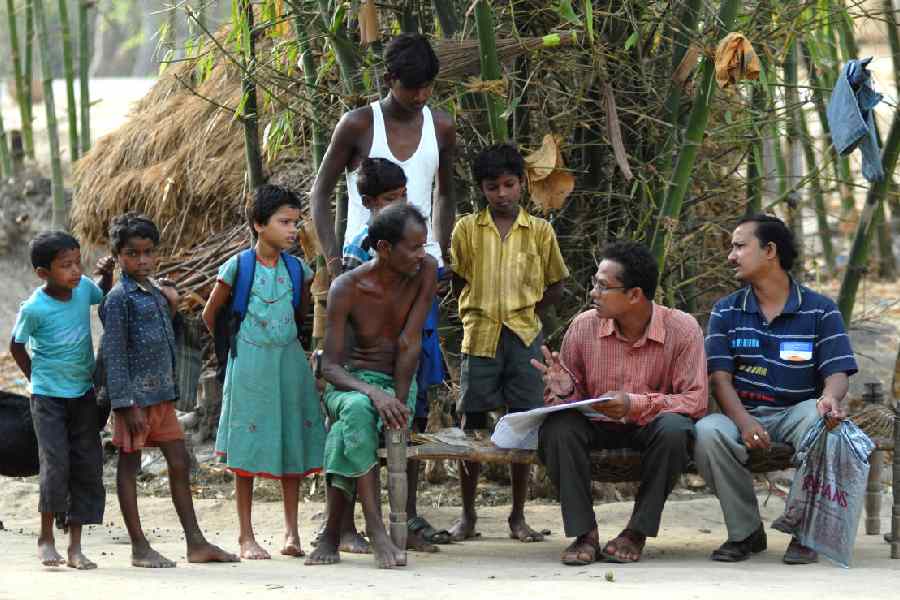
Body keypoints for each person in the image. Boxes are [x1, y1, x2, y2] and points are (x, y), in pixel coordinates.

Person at [694, 214, 858, 565]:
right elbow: (720, 379)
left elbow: (837, 370)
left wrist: (830, 398)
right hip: (742, 413)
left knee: (822, 421)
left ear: (770, 251)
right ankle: (746, 532)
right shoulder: (726, 311)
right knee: (707, 431)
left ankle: (806, 532)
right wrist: (744, 422)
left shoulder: (820, 310)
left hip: (797, 411)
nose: (731, 256)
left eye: (740, 246)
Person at [532, 241, 707, 565]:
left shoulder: (682, 329)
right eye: (594, 283)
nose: (593, 293)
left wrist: (634, 404)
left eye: (603, 286)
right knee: (557, 427)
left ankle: (635, 532)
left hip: (649, 428)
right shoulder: (584, 326)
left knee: (675, 429)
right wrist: (565, 391)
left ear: (635, 295)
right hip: (596, 425)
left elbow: (695, 400)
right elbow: (566, 401)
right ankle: (585, 533)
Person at [101, 213, 238, 568]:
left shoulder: (156, 292)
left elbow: (169, 336)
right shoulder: (119, 298)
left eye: (148, 252)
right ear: (118, 255)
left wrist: (173, 305)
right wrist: (124, 404)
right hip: (135, 401)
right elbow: (114, 354)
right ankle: (139, 546)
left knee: (179, 462)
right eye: (133, 254)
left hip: (161, 397)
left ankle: (196, 543)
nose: (142, 260)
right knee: (129, 467)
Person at [448, 144, 569, 543]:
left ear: (522, 184)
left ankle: (518, 515)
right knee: (472, 424)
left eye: (509, 184)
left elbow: (556, 284)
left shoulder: (540, 231)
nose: (501, 194)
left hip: (525, 336)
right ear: (480, 189)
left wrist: (527, 311)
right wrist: (481, 309)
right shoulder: (467, 229)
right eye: (492, 186)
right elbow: (458, 279)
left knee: (523, 423)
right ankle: (467, 515)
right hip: (479, 336)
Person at [306, 203, 437, 569]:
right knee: (358, 409)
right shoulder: (346, 287)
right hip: (348, 382)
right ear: (384, 248)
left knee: (347, 427)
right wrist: (373, 394)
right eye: (413, 247)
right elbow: (330, 366)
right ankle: (376, 529)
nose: (421, 254)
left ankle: (331, 534)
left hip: (398, 380)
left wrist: (398, 401)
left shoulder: (424, 271)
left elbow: (410, 342)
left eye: (423, 245)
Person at [203, 185, 326, 560]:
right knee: (246, 448)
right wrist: (235, 350)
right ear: (259, 224)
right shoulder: (238, 267)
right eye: (283, 222)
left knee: (292, 441)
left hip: (289, 363)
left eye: (295, 222)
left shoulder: (298, 270)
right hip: (250, 365)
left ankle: (292, 533)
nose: (292, 230)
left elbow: (300, 314)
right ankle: (246, 536)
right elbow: (211, 314)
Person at [9, 231, 114, 569]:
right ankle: (46, 538)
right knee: (55, 465)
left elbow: (101, 293)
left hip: (82, 394)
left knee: (86, 464)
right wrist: (36, 379)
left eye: (77, 262)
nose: (75, 271)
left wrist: (107, 274)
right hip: (48, 400)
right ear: (43, 273)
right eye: (66, 265)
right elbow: (16, 345)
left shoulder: (82, 288)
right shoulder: (34, 308)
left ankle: (75, 546)